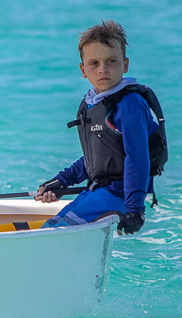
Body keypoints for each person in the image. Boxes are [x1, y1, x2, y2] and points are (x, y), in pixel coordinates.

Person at [35, 20, 167, 233]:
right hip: (98, 191)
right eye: (94, 63)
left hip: (120, 195)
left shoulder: (130, 104)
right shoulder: (92, 102)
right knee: (52, 225)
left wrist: (135, 210)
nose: (102, 69)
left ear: (125, 65)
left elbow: (137, 159)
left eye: (111, 61)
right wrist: (61, 182)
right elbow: (100, 158)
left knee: (52, 230)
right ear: (83, 70)